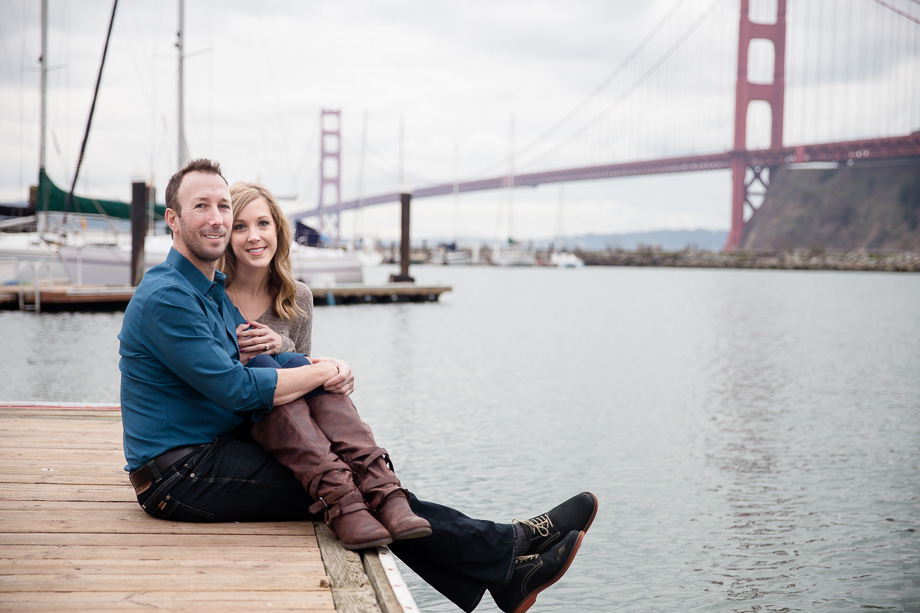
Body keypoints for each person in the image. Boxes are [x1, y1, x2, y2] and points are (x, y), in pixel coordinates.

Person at [118, 158, 598, 613]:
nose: (218, 218)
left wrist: (319, 365)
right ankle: (508, 550)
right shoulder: (169, 297)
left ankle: (505, 565)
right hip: (178, 475)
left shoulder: (209, 293)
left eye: (224, 205)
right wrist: (323, 371)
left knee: (346, 474)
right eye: (202, 206)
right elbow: (239, 390)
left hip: (212, 450)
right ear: (173, 220)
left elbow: (270, 368)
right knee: (344, 488)